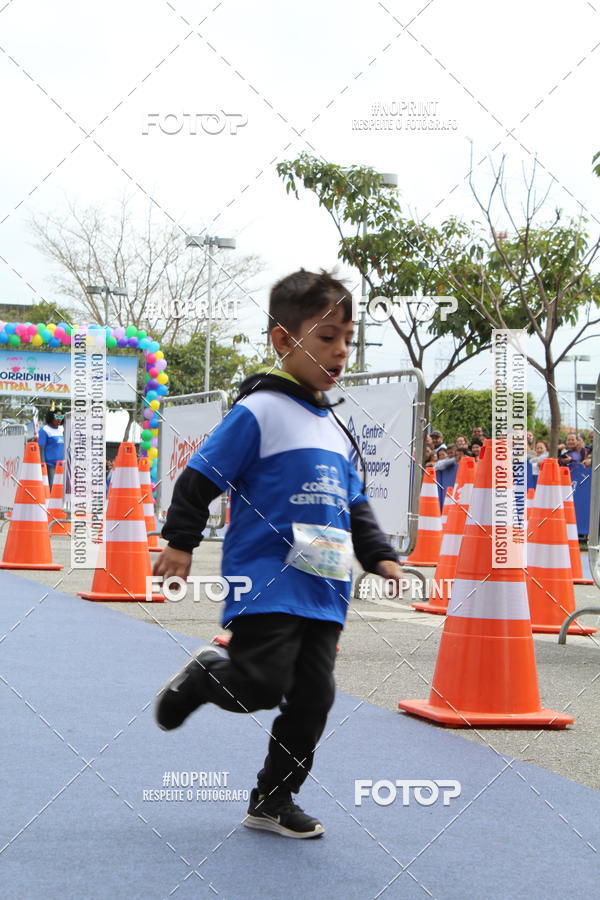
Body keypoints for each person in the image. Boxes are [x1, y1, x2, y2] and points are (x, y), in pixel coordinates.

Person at [152, 269, 403, 839]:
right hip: (266, 576)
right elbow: (199, 476)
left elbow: (355, 503)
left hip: (324, 583)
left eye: (347, 338)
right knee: (262, 684)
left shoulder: (336, 428)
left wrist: (381, 555)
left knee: (316, 696)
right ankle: (204, 677)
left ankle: (273, 799)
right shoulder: (259, 411)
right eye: (325, 337)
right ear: (283, 340)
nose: (340, 351)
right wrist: (180, 543)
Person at [37, 409, 64, 489]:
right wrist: (42, 464)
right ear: (51, 417)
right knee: (51, 486)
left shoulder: (61, 429)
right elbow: (41, 448)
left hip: (61, 464)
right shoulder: (44, 430)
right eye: (57, 416)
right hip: (50, 465)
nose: (59, 419)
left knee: (60, 488)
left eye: (61, 417)